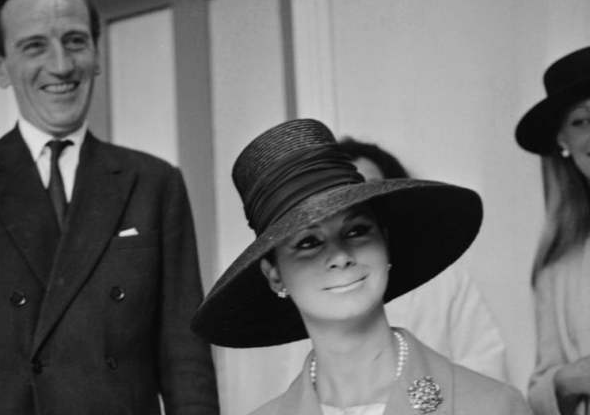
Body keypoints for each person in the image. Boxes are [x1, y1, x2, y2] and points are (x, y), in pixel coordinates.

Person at [0, 0, 218, 413]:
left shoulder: (154, 183)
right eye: (34, 46)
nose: (60, 65)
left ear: (97, 54)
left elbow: (187, 363)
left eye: (75, 41)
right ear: (0, 66)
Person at [192, 119, 531, 414]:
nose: (340, 256)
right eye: (308, 242)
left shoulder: (494, 406)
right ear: (274, 274)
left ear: (385, 243)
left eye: (356, 231)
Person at [336, 137, 508, 382]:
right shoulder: (321, 288)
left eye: (371, 189)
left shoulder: (445, 279)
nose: (362, 204)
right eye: (349, 193)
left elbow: (487, 368)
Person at [516, 46, 590, 415]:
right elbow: (541, 387)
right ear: (563, 140)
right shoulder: (557, 261)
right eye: (581, 121)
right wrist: (569, 380)